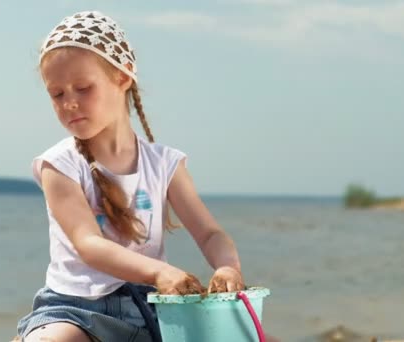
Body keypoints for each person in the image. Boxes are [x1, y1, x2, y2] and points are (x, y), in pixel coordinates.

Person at [17, 10, 252, 342]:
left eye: (83, 88)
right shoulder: (60, 165)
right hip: (75, 310)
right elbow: (89, 244)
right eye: (57, 94)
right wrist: (159, 271)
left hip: (150, 309)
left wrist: (228, 268)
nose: (69, 103)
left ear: (123, 77)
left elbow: (210, 234)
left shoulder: (164, 164)